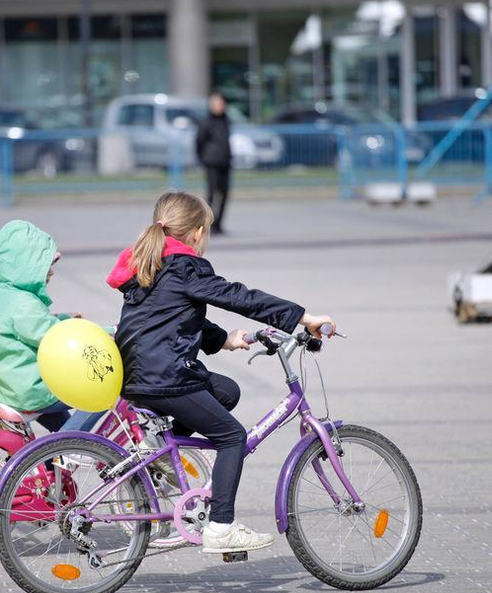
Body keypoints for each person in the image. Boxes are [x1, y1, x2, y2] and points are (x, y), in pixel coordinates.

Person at [106, 191, 335, 553]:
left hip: (137, 376)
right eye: (207, 231)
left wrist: (224, 339)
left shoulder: (150, 265)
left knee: (227, 391)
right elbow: (239, 297)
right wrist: (303, 317)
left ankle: (158, 446)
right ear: (196, 234)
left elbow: (169, 317)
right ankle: (221, 527)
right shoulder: (185, 266)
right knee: (232, 438)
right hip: (166, 378)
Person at [0, 220, 104, 433]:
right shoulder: (24, 304)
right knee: (102, 394)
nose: (51, 273)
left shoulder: (6, 298)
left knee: (57, 437)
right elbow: (55, 337)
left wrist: (65, 318)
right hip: (34, 390)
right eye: (45, 267)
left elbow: (35, 327)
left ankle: (56, 458)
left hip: (14, 388)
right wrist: (105, 333)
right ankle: (69, 448)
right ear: (27, 267)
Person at [196, 91, 232, 234]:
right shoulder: (206, 122)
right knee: (211, 194)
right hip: (211, 162)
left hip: (225, 162)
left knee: (224, 194)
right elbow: (199, 142)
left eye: (220, 103)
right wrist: (203, 158)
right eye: (215, 103)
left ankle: (219, 224)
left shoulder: (226, 121)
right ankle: (207, 224)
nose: (218, 106)